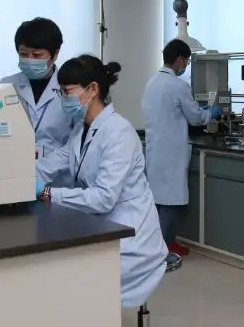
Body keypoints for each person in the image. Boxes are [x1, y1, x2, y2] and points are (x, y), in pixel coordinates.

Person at [35, 55, 168, 308]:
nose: (63, 99)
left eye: (67, 92)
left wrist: (48, 193)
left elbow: (103, 198)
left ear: (92, 89)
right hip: (102, 229)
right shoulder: (81, 130)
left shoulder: (119, 133)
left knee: (68, 279)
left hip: (132, 241)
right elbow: (52, 163)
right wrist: (17, 178)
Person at [141, 39, 222, 257]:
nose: (185, 65)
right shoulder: (178, 86)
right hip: (171, 153)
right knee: (171, 203)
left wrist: (197, 111)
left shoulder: (152, 83)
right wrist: (210, 113)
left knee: (158, 201)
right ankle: (163, 249)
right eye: (186, 61)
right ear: (179, 59)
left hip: (156, 150)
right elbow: (195, 118)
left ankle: (162, 243)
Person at [1, 18, 75, 162]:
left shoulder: (72, 89)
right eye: (23, 54)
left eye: (37, 55)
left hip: (58, 171)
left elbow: (76, 144)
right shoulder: (6, 86)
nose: (30, 60)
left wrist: (45, 168)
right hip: (15, 165)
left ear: (55, 54)